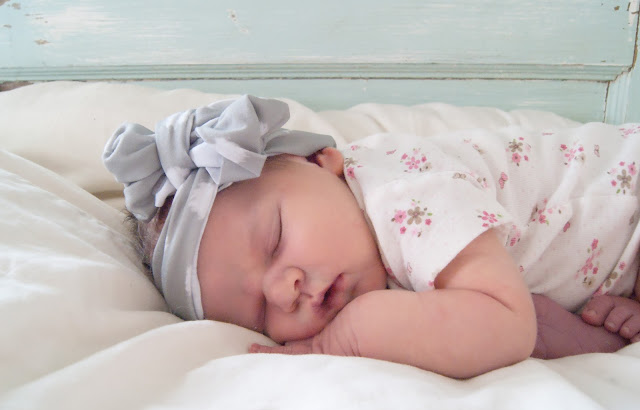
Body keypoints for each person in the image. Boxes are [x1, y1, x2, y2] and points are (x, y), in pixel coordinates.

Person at [103, 95, 640, 379]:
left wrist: (347, 338)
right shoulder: (353, 243)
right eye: (261, 313)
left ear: (324, 162)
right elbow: (522, 324)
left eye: (275, 238)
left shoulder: (406, 194)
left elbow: (507, 326)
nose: (285, 289)